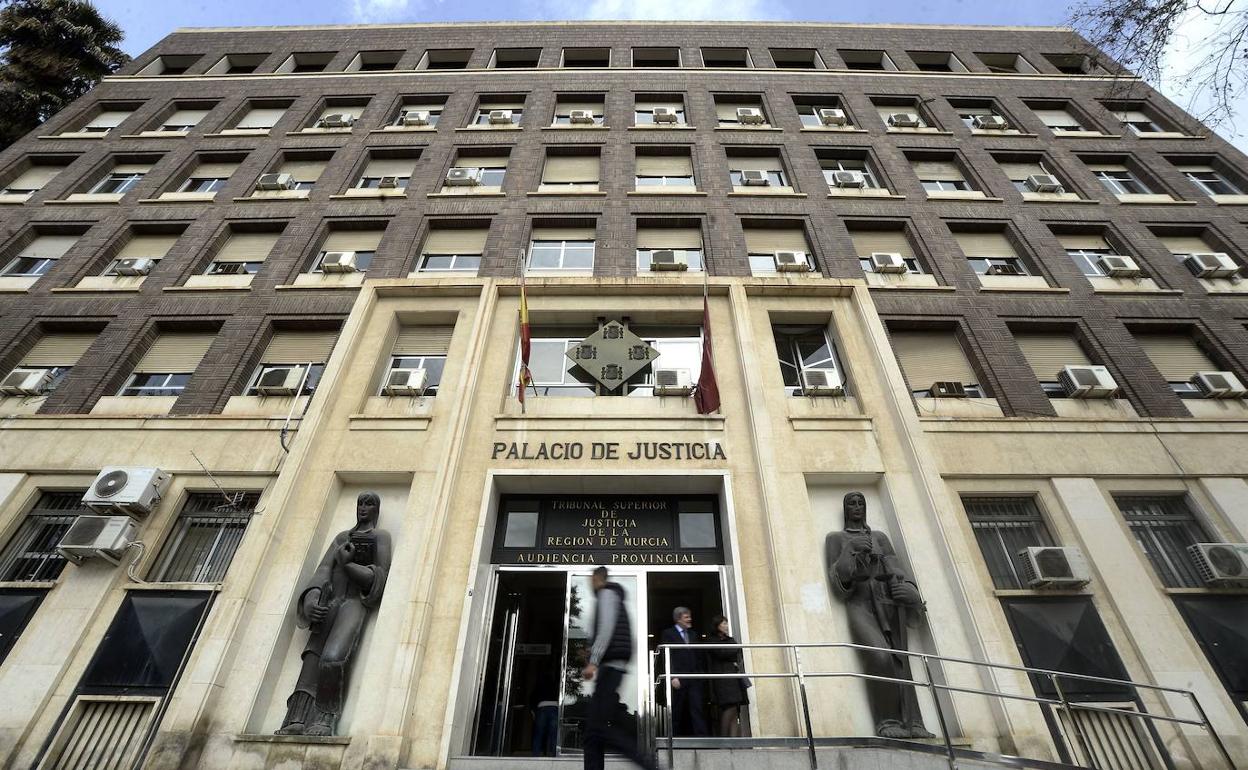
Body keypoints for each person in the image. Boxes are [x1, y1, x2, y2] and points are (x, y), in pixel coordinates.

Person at [276, 491, 391, 736]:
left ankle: (324, 719)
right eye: (360, 503)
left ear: (376, 510)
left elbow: (378, 576)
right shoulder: (342, 537)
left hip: (354, 602)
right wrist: (311, 599)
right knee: (312, 658)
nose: (362, 508)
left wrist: (348, 565)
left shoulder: (381, 537)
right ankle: (295, 718)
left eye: (369, 504)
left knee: (334, 655)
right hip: (331, 600)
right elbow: (324, 570)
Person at [825, 491, 934, 740]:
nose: (856, 507)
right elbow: (837, 579)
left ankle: (913, 722)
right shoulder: (836, 538)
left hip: (887, 601)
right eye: (851, 503)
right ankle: (887, 721)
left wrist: (909, 590)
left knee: (901, 660)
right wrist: (850, 550)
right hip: (860, 604)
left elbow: (896, 568)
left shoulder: (880, 537)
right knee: (879, 655)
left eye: (861, 503)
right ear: (845, 509)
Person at [582, 566, 660, 770]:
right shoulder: (614, 597)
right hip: (612, 668)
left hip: (610, 668)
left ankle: (647, 763)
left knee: (598, 730)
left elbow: (606, 629)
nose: (590, 584)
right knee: (594, 732)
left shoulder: (607, 594)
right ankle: (647, 762)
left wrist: (594, 661)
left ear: (598, 578)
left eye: (591, 580)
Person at [658, 606, 708, 737]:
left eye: (689, 616)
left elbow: (699, 656)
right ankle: (673, 738)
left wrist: (700, 674)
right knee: (676, 710)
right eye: (686, 617)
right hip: (678, 677)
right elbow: (666, 656)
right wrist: (672, 676)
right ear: (678, 619)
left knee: (697, 709)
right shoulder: (668, 633)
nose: (690, 619)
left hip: (694, 677)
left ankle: (702, 739)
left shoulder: (693, 634)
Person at [706, 616, 749, 737]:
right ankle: (724, 740)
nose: (726, 626)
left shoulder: (730, 639)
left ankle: (734, 742)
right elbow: (721, 652)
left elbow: (737, 652)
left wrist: (732, 651)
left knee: (735, 710)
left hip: (733, 678)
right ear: (717, 626)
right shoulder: (712, 640)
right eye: (724, 623)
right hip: (722, 679)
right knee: (729, 708)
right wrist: (732, 650)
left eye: (726, 623)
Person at [529, 661, 560, 757]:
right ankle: (555, 756)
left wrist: (533, 710)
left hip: (542, 707)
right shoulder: (556, 683)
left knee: (539, 734)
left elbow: (532, 697)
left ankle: (535, 755)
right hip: (554, 706)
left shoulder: (539, 683)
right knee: (553, 734)